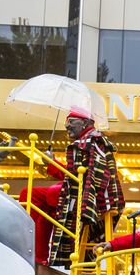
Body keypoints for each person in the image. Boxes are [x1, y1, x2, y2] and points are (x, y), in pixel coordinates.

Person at [47, 107, 125, 266]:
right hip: (95, 199)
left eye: (71, 122)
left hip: (85, 199)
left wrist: (51, 164)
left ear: (85, 123)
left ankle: (39, 254)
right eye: (66, 122)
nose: (67, 126)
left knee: (32, 195)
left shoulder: (87, 142)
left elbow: (77, 177)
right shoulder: (96, 141)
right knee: (43, 197)